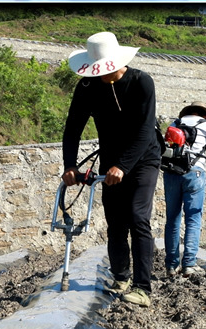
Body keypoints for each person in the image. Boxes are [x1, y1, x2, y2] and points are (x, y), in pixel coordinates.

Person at [61, 32, 160, 307]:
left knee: (138, 217)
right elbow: (72, 130)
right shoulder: (87, 88)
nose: (100, 74)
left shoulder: (141, 82)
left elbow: (144, 130)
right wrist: (70, 165)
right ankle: (121, 277)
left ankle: (142, 288)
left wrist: (124, 166)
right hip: (111, 160)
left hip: (143, 160)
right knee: (115, 221)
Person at [163, 101, 206, 277]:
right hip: (194, 173)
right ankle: (189, 264)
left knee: (172, 219)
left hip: (170, 174)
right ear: (204, 114)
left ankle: (171, 265)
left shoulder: (174, 124)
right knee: (193, 218)